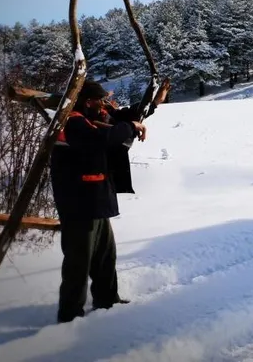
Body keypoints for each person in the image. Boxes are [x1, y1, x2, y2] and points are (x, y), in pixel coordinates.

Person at [50, 78, 169, 323]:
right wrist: (131, 126)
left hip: (95, 200)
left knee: (105, 255)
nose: (104, 104)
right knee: (78, 260)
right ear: (87, 101)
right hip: (78, 202)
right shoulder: (71, 121)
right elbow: (102, 139)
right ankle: (70, 314)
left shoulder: (93, 115)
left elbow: (125, 116)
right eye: (100, 100)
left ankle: (107, 299)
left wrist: (153, 103)